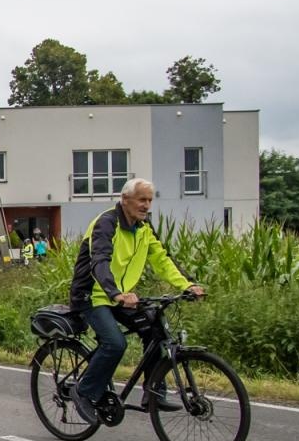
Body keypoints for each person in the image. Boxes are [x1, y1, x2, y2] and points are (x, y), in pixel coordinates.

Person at [70, 178, 205, 425]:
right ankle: (84, 392)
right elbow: (99, 261)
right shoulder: (106, 223)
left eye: (150, 200)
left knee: (155, 329)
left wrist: (186, 285)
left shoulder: (143, 227)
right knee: (115, 343)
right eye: (142, 199)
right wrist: (115, 293)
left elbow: (162, 259)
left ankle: (154, 393)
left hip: (120, 296)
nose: (146, 205)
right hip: (92, 295)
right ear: (125, 200)